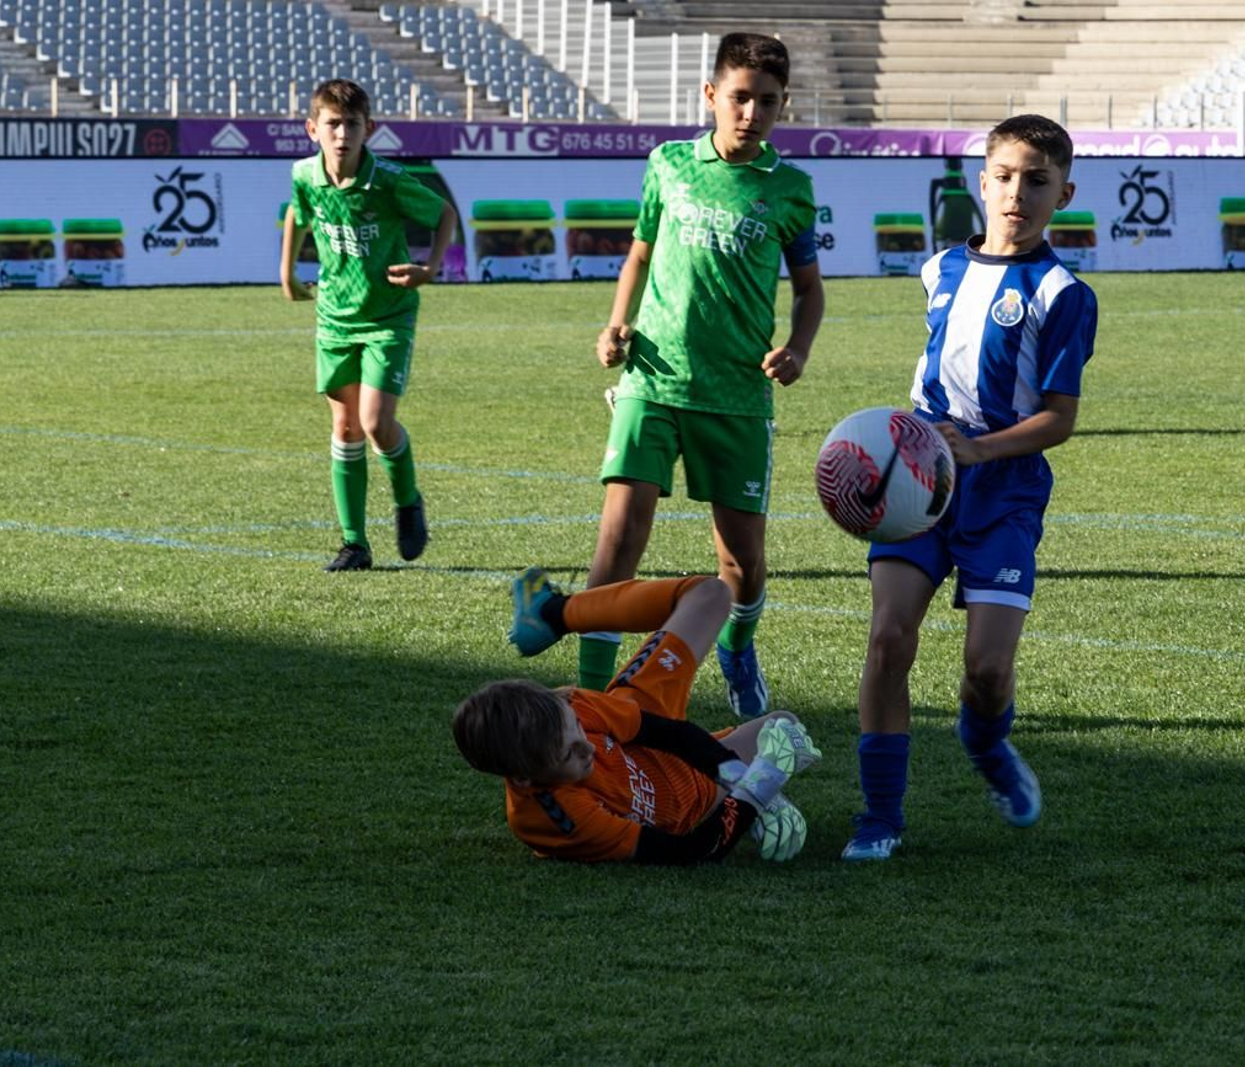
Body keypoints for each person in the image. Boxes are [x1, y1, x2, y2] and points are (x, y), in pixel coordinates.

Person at [842, 115, 1100, 862]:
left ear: (1064, 193)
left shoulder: (1062, 293)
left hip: (1005, 489)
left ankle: (985, 742)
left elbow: (1058, 419)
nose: (1019, 193)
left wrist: (980, 450)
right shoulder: (938, 270)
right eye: (1007, 176)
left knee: (986, 669)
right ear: (983, 182)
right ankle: (880, 814)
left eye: (1038, 181)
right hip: (921, 477)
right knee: (889, 638)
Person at [584, 32, 826, 716]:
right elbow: (639, 254)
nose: (751, 112)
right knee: (619, 535)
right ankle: (591, 695)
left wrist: (798, 348)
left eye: (768, 102)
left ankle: (739, 645)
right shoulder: (667, 166)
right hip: (653, 377)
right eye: (740, 97)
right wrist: (615, 323)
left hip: (738, 394)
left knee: (740, 563)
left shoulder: (791, 190)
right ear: (711, 96)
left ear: (784, 106)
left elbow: (810, 290)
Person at [452, 568, 823, 864]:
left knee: (710, 594)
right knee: (784, 728)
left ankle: (551, 612)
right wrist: (754, 795)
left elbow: (666, 732)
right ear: (523, 777)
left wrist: (750, 785)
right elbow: (690, 852)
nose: (588, 749)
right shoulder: (553, 816)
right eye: (569, 754)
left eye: (577, 730)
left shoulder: (571, 704)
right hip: (693, 808)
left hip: (651, 734)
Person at [280, 78, 456, 572]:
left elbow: (443, 214)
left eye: (351, 125)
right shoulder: (304, 175)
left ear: (369, 129)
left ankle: (407, 500)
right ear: (313, 128)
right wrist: (287, 270)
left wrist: (430, 267)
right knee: (345, 425)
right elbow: (299, 214)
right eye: (332, 124)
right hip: (335, 317)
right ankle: (354, 543)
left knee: (378, 423)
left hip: (388, 316)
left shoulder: (389, 181)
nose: (341, 135)